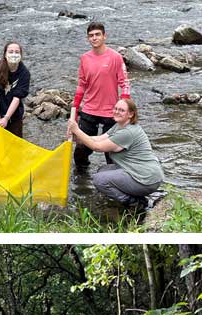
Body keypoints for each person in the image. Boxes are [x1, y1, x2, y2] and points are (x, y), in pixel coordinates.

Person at [67, 98, 163, 207]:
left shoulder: (127, 133)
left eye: (121, 110)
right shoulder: (119, 126)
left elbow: (97, 147)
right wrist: (77, 137)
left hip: (146, 179)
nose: (117, 112)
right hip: (141, 173)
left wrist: (78, 130)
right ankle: (137, 195)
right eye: (116, 108)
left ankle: (135, 202)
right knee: (102, 170)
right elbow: (99, 139)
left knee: (99, 180)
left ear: (131, 114)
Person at [69, 22, 130, 170]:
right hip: (89, 110)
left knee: (113, 155)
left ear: (104, 36)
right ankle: (82, 184)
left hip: (111, 112)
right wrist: (74, 111)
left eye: (97, 35)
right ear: (88, 38)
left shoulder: (115, 57)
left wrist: (124, 108)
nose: (94, 38)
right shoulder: (85, 58)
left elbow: (125, 83)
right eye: (91, 36)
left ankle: (114, 182)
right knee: (80, 151)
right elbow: (81, 84)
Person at [0, 41, 30, 168]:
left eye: (17, 52)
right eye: (11, 52)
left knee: (14, 146)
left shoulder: (24, 73)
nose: (14, 54)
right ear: (5, 54)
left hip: (13, 115)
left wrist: (6, 118)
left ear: (21, 55)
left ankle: (13, 171)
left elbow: (17, 97)